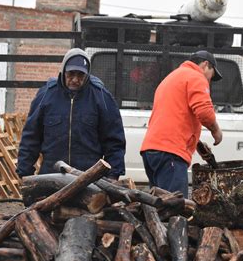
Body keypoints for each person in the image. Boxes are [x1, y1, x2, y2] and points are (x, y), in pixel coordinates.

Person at [17, 48, 126, 181]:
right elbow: (31, 137)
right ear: (63, 71)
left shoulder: (101, 97)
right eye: (71, 74)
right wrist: (24, 172)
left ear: (87, 74)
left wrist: (113, 175)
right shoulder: (46, 95)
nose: (75, 79)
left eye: (80, 75)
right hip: (51, 176)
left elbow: (114, 141)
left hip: (89, 179)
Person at [140, 50, 223, 198]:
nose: (209, 81)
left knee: (159, 206)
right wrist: (216, 130)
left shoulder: (172, 78)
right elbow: (204, 111)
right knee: (176, 208)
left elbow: (176, 117)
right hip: (170, 154)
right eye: (212, 75)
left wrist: (197, 144)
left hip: (151, 151)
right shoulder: (196, 77)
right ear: (205, 65)